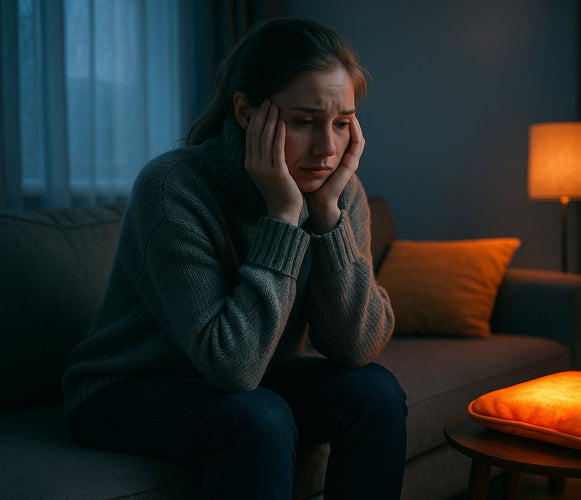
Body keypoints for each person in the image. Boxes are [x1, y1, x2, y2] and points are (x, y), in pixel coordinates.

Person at [62, 16, 407, 499]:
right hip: (125, 388)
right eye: (305, 122)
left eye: (342, 123)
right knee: (258, 418)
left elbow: (355, 348)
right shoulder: (171, 189)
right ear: (247, 113)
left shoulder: (337, 192)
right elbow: (232, 367)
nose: (329, 148)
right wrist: (284, 218)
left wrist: (328, 217)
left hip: (247, 376)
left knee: (376, 393)